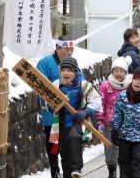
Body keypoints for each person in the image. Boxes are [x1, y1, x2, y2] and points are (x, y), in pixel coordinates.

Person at [36, 36, 82, 178]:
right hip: (52, 114)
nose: (69, 52)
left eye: (71, 49)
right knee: (53, 145)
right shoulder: (45, 62)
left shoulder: (73, 64)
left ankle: (67, 172)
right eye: (66, 49)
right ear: (58, 48)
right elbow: (40, 86)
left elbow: (81, 82)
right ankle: (54, 168)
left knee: (68, 147)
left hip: (69, 116)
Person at [52, 57, 101, 178]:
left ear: (75, 71)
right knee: (64, 152)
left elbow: (96, 102)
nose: (65, 73)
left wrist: (85, 112)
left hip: (78, 122)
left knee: (74, 138)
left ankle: (76, 169)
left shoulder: (84, 85)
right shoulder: (56, 85)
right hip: (61, 124)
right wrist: (52, 105)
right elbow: (49, 103)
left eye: (69, 70)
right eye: (63, 70)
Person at [97, 56, 132, 178]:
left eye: (121, 71)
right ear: (112, 71)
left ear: (125, 72)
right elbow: (101, 103)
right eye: (116, 70)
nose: (118, 73)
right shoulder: (106, 85)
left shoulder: (130, 85)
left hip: (126, 122)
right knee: (110, 147)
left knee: (124, 146)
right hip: (109, 122)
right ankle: (111, 170)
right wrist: (100, 119)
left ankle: (124, 169)